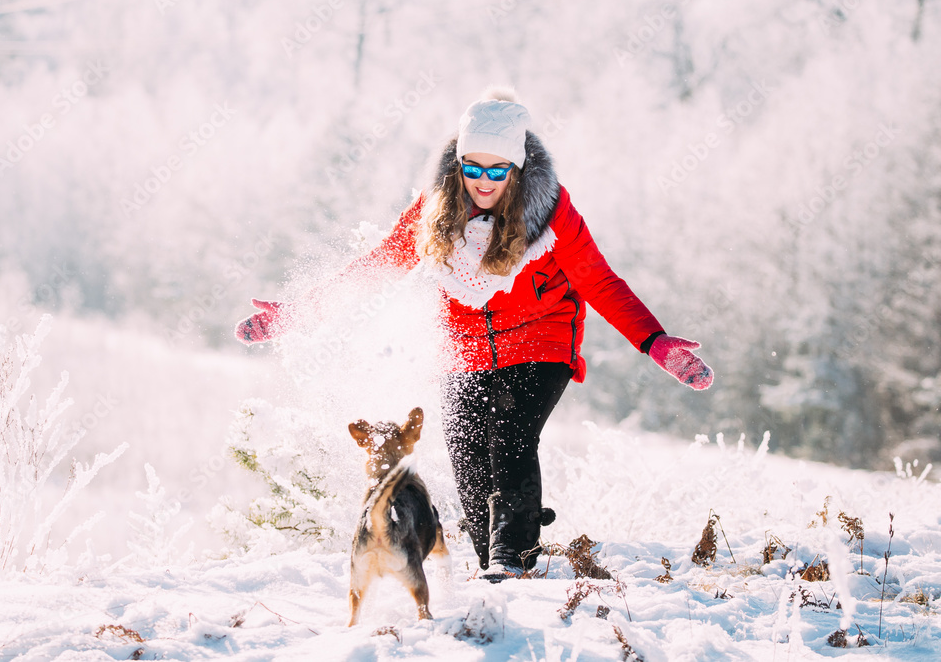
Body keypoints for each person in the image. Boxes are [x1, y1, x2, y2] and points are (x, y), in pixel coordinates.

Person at [235, 88, 713, 581]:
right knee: (467, 456)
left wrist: (657, 342)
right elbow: (377, 266)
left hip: (540, 338)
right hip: (465, 349)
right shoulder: (435, 209)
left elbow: (601, 282)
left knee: (510, 435)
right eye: (473, 168)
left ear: (518, 168)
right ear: (458, 163)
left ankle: (511, 557)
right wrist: (298, 314)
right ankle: (494, 566)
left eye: (497, 169)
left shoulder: (551, 214)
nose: (484, 182)